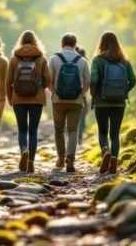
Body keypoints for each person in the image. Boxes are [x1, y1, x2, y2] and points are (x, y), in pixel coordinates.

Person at [90, 31, 136, 174]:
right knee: (115, 134)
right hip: (119, 103)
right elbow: (133, 80)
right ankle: (114, 162)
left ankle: (105, 151)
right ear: (117, 43)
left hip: (101, 102)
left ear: (101, 43)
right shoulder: (124, 60)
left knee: (103, 132)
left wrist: (94, 94)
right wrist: (123, 91)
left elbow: (93, 80)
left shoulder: (97, 60)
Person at [6, 30, 51, 173]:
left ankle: (23, 150)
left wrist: (10, 97)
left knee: (22, 129)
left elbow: (8, 81)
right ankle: (30, 162)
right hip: (36, 100)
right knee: (33, 131)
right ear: (35, 41)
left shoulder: (14, 59)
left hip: (18, 99)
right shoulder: (41, 59)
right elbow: (48, 79)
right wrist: (39, 88)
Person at [49, 33, 90, 172]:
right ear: (75, 44)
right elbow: (88, 81)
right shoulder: (82, 60)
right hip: (76, 101)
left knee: (59, 129)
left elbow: (48, 80)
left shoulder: (54, 58)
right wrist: (81, 94)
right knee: (73, 130)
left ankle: (60, 157)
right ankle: (70, 159)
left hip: (58, 100)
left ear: (62, 43)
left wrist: (54, 92)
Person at [75, 45, 88, 144]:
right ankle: (80, 137)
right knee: (82, 116)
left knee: (73, 116)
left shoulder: (72, 62)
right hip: (82, 95)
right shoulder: (85, 63)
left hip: (70, 95)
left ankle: (74, 136)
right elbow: (88, 80)